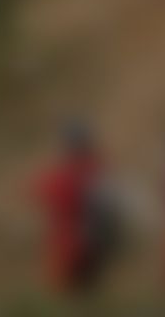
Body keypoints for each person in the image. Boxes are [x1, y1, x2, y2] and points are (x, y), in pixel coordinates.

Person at [33, 122, 119, 298]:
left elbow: (41, 194)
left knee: (70, 291)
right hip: (89, 237)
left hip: (71, 238)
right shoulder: (94, 168)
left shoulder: (64, 174)